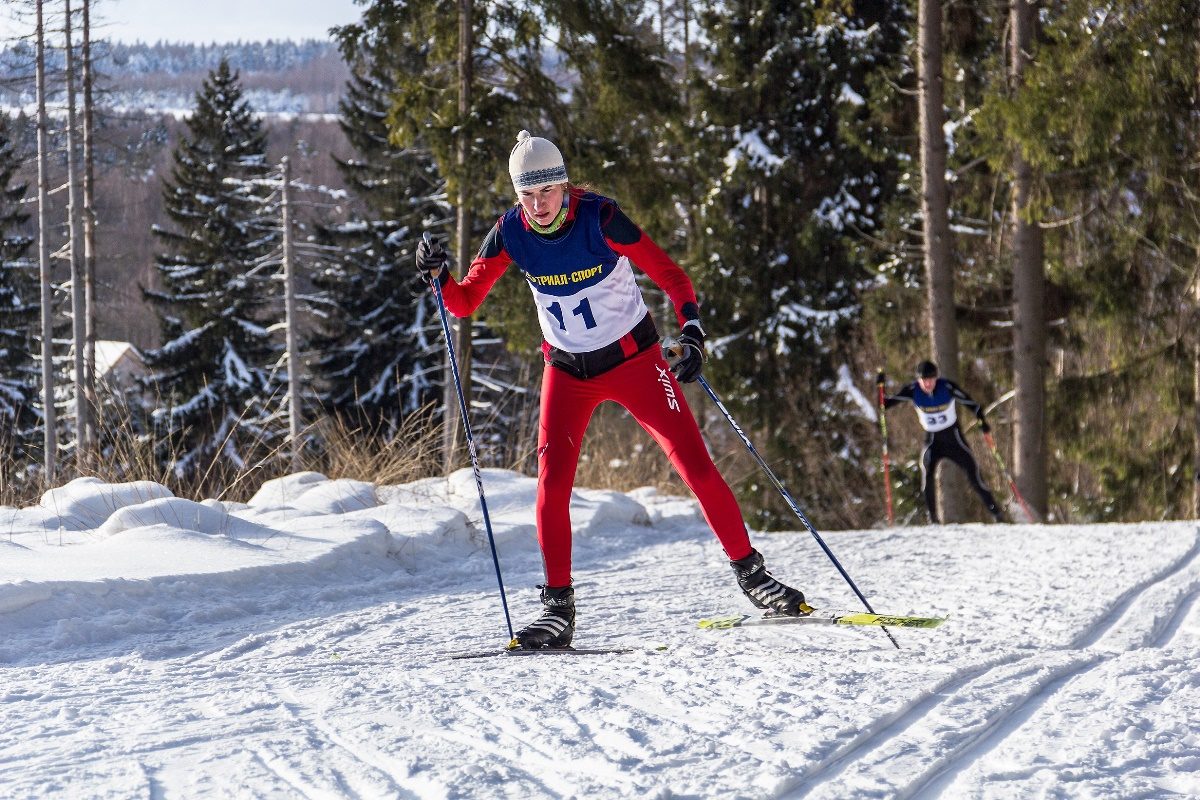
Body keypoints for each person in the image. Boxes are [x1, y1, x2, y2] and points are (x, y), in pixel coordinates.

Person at [415, 130, 810, 649]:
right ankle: (558, 610)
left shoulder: (600, 218)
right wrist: (440, 276)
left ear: (562, 185)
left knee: (695, 465)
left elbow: (672, 276)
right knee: (551, 487)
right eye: (526, 196)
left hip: (635, 362)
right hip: (566, 373)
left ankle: (753, 576)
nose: (537, 206)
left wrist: (692, 332)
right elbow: (463, 304)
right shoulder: (510, 231)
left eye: (546, 192)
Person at [878, 360, 1005, 524]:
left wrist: (983, 423)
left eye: (931, 379)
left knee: (974, 476)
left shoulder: (947, 387)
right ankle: (933, 520)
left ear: (936, 378)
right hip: (932, 440)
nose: (928, 383)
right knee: (927, 474)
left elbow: (973, 405)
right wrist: (880, 386)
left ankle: (997, 514)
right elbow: (884, 404)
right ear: (918, 380)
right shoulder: (912, 390)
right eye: (924, 380)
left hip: (954, 439)